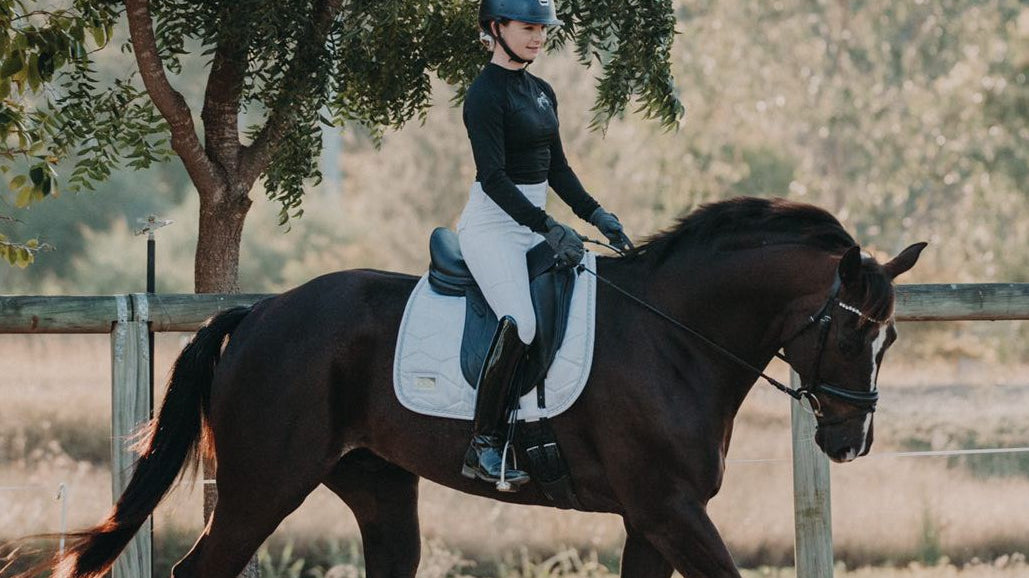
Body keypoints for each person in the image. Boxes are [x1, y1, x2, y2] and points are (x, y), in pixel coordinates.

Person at [458, 0, 631, 491]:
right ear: (496, 28)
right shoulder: (483, 96)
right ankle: (483, 444)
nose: (538, 38)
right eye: (528, 28)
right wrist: (549, 227)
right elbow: (494, 179)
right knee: (523, 320)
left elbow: (557, 169)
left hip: (533, 224)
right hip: (493, 227)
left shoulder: (541, 91)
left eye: (543, 30)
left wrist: (596, 214)